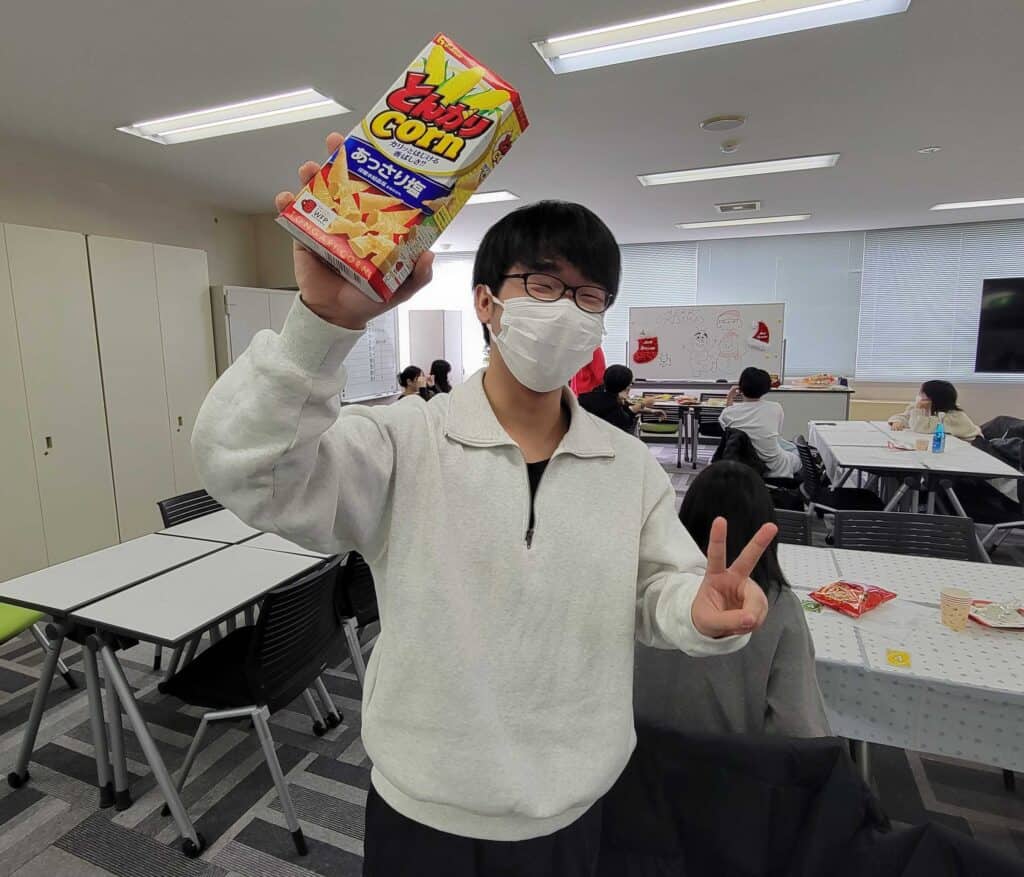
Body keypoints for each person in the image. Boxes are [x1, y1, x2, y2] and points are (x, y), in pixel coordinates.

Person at [193, 132, 773, 877]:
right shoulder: (405, 441)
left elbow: (654, 592)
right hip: (425, 805)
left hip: (573, 800)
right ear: (487, 302)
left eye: (591, 296)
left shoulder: (627, 464)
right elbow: (247, 470)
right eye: (545, 285)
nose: (570, 310)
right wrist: (321, 322)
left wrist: (695, 611)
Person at [635, 461, 830, 737]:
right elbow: (799, 727)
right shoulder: (778, 607)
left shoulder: (643, 589)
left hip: (634, 755)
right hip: (731, 761)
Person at [719, 367, 800, 478]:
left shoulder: (728, 413)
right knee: (796, 450)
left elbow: (728, 432)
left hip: (742, 465)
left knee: (787, 445)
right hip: (774, 465)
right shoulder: (775, 408)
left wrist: (730, 398)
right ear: (766, 388)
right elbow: (777, 434)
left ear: (741, 387)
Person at [578, 364, 663, 433]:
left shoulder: (600, 393)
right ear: (625, 386)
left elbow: (626, 408)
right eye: (630, 383)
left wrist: (650, 411)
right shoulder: (611, 405)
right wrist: (642, 403)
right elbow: (625, 420)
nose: (630, 386)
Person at [888, 380, 981, 439]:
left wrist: (918, 409)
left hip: (971, 444)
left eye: (922, 394)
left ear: (933, 398)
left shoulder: (952, 416)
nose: (919, 396)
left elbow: (919, 428)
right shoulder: (926, 407)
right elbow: (905, 416)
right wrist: (898, 421)